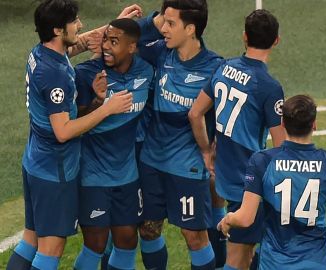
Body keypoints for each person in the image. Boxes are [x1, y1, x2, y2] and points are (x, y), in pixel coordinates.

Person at [6, 1, 133, 269]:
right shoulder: (56, 76)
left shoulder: (42, 52)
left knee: (31, 239)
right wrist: (107, 109)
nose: (81, 25)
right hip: (55, 170)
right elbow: (63, 131)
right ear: (57, 30)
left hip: (36, 162)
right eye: (74, 22)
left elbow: (80, 43)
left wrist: (113, 27)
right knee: (51, 248)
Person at [217, 95, 326, 270]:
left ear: (282, 123)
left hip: (275, 264)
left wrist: (228, 219)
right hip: (317, 263)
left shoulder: (263, 161)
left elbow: (244, 219)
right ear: (314, 124)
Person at [189, 9, 286, 269]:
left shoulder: (225, 67)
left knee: (254, 248)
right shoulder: (269, 86)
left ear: (244, 37)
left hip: (225, 173)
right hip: (250, 182)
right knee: (239, 260)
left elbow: (196, 113)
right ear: (276, 40)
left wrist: (206, 151)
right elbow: (281, 146)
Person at [134, 1, 224, 269]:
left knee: (195, 236)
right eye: (164, 22)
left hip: (188, 167)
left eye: (171, 23)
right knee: (148, 230)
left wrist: (213, 150)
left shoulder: (215, 68)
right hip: (151, 161)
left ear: (191, 28)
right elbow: (126, 37)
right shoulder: (160, 53)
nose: (164, 29)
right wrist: (153, 21)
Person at [72, 18, 154, 270]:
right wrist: (99, 102)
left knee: (127, 239)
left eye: (114, 41)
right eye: (106, 38)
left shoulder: (145, 71)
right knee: (95, 243)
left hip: (127, 174)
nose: (106, 46)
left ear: (132, 47)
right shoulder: (86, 74)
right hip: (93, 174)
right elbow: (73, 126)